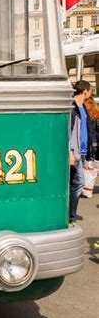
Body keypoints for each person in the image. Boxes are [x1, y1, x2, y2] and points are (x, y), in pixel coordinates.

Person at [69, 80, 93, 225]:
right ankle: (70, 215)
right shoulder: (72, 108)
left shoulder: (82, 107)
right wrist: (71, 151)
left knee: (74, 183)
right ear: (85, 91)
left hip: (81, 152)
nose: (91, 94)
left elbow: (86, 130)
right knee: (78, 183)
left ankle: (70, 214)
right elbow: (69, 132)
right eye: (90, 91)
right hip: (75, 153)